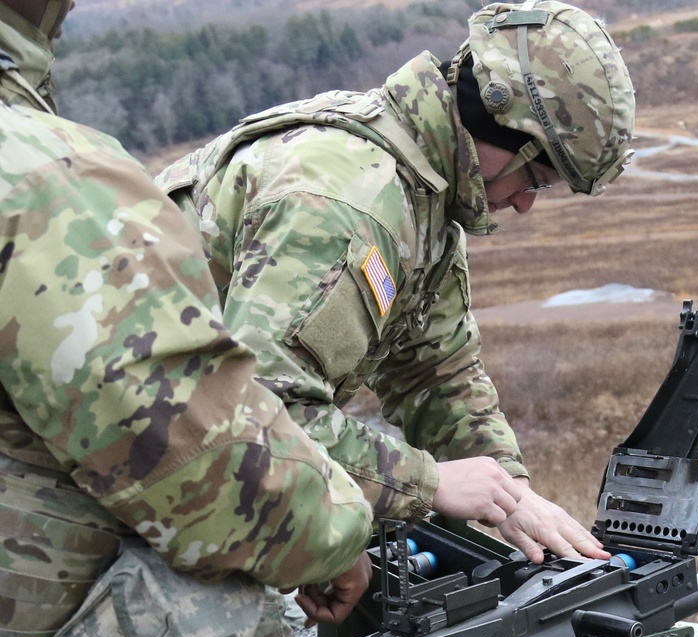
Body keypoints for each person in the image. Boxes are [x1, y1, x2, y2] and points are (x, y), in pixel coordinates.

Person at [0, 1, 433, 637]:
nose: (524, 202)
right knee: (217, 605)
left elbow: (444, 367)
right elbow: (210, 472)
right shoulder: (39, 174)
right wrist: (339, 536)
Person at [156, 0, 635, 576]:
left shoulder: (424, 192)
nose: (527, 204)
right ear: (499, 123)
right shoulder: (350, 205)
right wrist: (428, 483)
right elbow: (259, 412)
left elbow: (435, 373)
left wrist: (510, 493)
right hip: (100, 455)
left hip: (169, 448)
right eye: (534, 177)